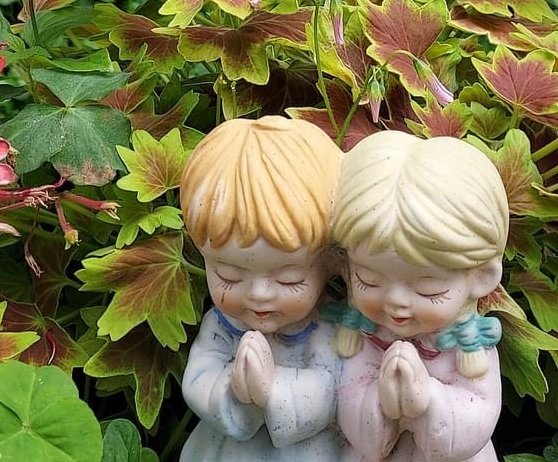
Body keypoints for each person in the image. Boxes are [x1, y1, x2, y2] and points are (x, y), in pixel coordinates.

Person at [331, 130, 509, 462]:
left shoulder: (469, 345)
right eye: (369, 281)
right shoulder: (364, 338)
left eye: (428, 290)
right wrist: (381, 400)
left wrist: (426, 400)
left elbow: (478, 416)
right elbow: (347, 401)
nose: (396, 301)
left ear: (482, 278)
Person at [179, 114, 344, 462]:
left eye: (289, 280)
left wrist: (273, 389)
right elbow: (199, 378)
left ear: (330, 260)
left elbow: (336, 387)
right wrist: (234, 390)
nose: (259, 294)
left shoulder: (328, 325)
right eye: (228, 276)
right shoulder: (222, 325)